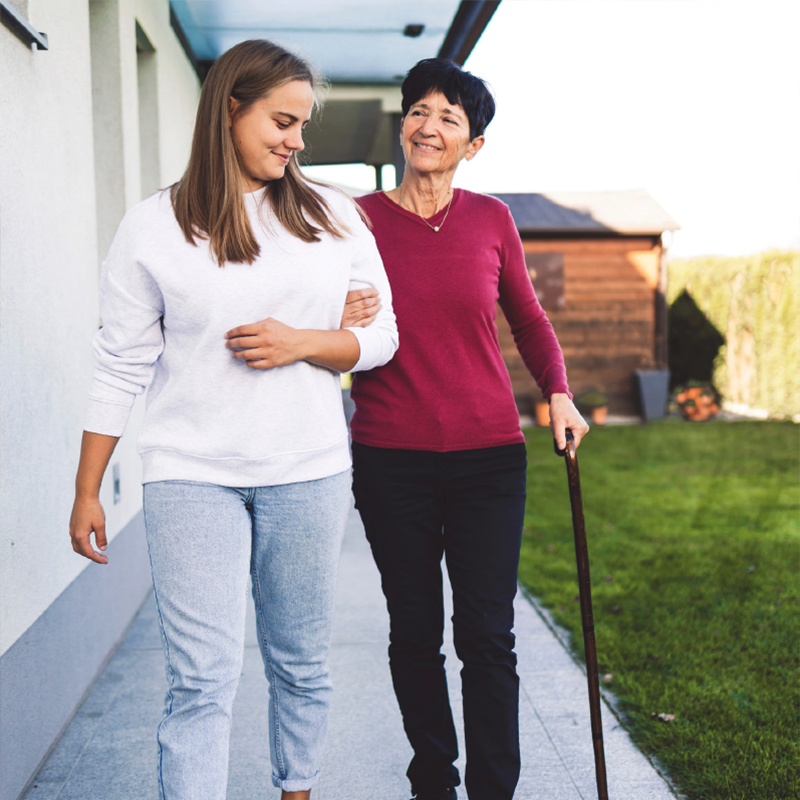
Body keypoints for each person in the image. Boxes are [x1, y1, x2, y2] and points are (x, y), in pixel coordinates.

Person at [68, 39, 397, 800]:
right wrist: (88, 489)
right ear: (230, 108)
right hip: (192, 477)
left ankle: (298, 791)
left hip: (307, 472)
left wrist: (307, 341)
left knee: (300, 665)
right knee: (200, 679)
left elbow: (381, 338)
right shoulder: (152, 228)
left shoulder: (333, 219)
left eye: (304, 126)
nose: (296, 140)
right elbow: (119, 363)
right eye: (283, 120)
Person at [342, 58, 589, 800]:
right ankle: (433, 780)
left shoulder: (491, 220)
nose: (430, 125)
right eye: (420, 110)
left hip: (488, 458)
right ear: (403, 126)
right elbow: (324, 311)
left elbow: (529, 317)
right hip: (391, 459)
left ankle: (492, 789)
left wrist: (560, 392)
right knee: (414, 632)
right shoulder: (356, 220)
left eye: (450, 117)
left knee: (487, 635)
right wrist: (334, 314)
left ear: (472, 144)